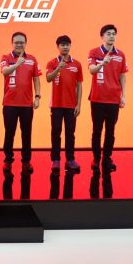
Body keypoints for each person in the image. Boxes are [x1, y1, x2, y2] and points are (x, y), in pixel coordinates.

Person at [87, 24, 127, 172]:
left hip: (113, 99)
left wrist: (123, 95)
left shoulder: (120, 54)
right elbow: (91, 70)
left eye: (113, 34)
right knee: (97, 130)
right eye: (108, 34)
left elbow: (122, 76)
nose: (111, 36)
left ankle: (107, 158)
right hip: (97, 98)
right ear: (102, 37)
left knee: (111, 131)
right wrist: (102, 63)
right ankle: (96, 158)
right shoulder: (94, 52)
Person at [1, 32, 41, 174]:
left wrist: (37, 96)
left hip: (26, 104)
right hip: (9, 104)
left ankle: (26, 161)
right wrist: (17, 64)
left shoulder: (32, 59)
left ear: (25, 43)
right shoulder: (6, 57)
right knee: (9, 133)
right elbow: (5, 71)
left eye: (22, 42)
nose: (19, 45)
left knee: (26, 134)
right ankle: (8, 160)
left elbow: (36, 79)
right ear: (12, 43)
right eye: (16, 42)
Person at [46, 35, 82, 172]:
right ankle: (55, 160)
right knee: (56, 132)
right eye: (62, 45)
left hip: (71, 105)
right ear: (58, 47)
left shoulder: (77, 64)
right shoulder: (52, 63)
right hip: (56, 105)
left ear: (70, 46)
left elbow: (79, 85)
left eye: (67, 44)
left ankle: (70, 159)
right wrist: (58, 68)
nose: (65, 47)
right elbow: (48, 78)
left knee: (70, 133)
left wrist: (78, 104)